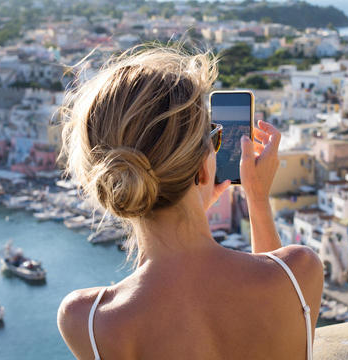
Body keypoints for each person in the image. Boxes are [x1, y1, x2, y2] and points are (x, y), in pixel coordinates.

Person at [57, 46, 324, 360]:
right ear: (201, 168)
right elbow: (276, 284)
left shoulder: (87, 320)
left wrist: (190, 199)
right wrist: (257, 199)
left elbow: (169, 294)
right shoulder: (300, 271)